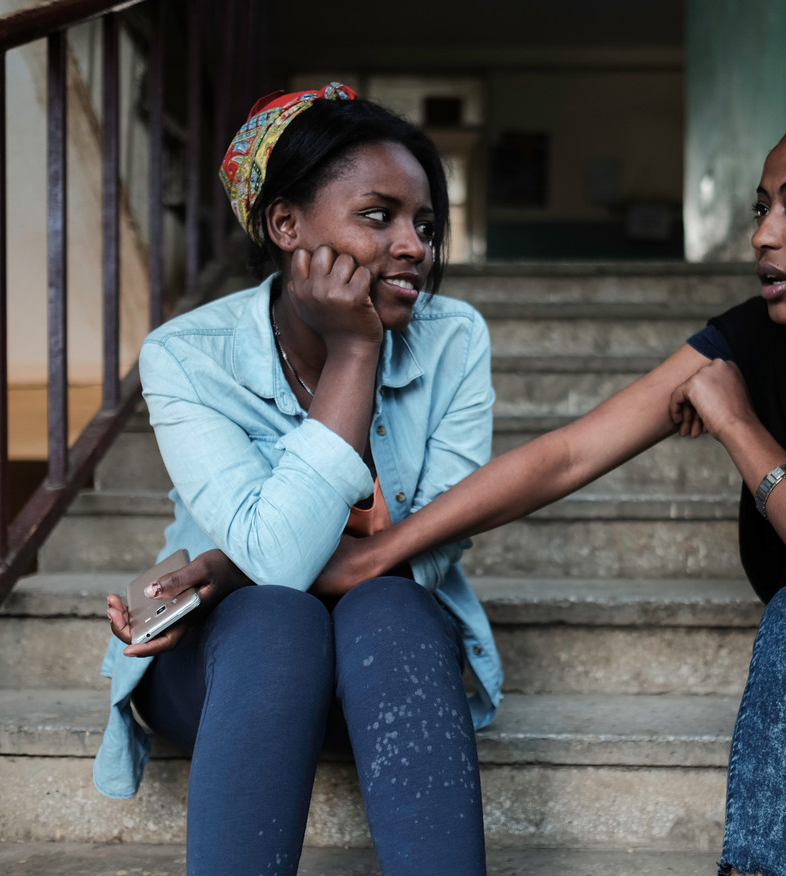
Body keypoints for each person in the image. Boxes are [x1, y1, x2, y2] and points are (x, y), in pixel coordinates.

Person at [154, 94, 786, 875]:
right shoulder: (760, 332)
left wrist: (737, 423)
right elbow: (570, 455)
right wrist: (382, 554)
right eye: (760, 208)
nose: (763, 236)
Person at [94, 83, 499, 876]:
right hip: (224, 670)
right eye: (377, 216)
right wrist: (356, 353)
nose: (413, 245)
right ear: (285, 225)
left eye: (424, 224)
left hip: (384, 672)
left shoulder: (454, 339)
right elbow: (278, 566)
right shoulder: (188, 354)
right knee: (277, 618)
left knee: (389, 600)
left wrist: (222, 563)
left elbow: (441, 538)